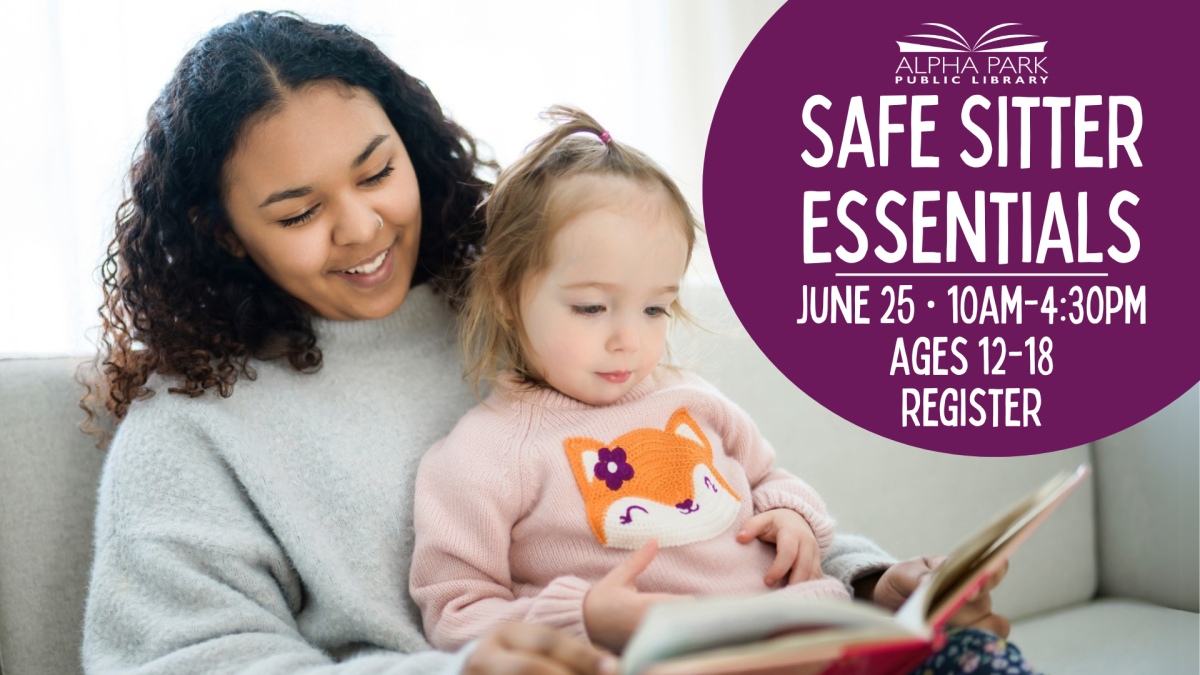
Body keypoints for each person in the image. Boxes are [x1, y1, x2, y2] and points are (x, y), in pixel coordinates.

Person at [77, 9, 1012, 675]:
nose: (361, 228)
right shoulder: (190, 427)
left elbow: (714, 501)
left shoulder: (533, 303)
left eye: (377, 171)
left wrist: (872, 577)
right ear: (221, 230)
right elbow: (181, 660)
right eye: (299, 211)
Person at [409, 107, 1040, 674]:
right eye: (593, 307)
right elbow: (456, 613)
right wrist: (584, 617)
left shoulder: (690, 398)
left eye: (656, 310)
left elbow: (770, 479)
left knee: (971, 651)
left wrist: (793, 516)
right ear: (503, 293)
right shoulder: (482, 457)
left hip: (810, 637)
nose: (629, 339)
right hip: (680, 663)